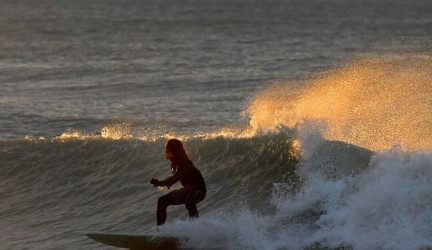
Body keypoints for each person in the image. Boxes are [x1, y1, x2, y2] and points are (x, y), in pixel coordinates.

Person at [150, 139, 206, 225]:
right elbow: (173, 178)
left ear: (174, 151)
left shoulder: (185, 164)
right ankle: (160, 230)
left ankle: (195, 226)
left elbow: (174, 178)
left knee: (189, 200)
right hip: (187, 190)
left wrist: (159, 183)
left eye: (167, 150)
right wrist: (167, 183)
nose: (166, 153)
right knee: (162, 201)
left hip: (199, 190)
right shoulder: (176, 163)